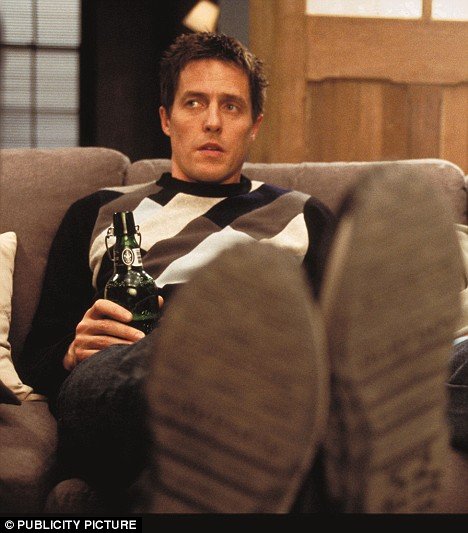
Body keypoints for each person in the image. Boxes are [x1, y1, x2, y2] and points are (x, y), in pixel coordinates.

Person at [18, 32, 466, 513]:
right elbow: (36, 359)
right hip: (130, 375)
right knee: (158, 368)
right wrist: (70, 352)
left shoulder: (304, 215)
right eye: (194, 103)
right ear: (166, 118)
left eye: (231, 106)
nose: (212, 121)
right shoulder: (98, 211)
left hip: (274, 384)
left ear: (254, 125)